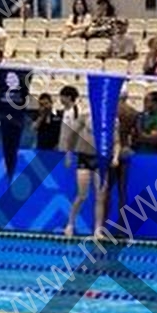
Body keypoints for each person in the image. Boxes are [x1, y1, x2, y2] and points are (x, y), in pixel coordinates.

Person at [58, 83, 100, 240]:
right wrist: (68, 152)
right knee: (82, 195)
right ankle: (70, 224)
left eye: (62, 96)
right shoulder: (74, 113)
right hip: (82, 155)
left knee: (98, 195)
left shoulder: (78, 111)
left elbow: (75, 135)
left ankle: (97, 229)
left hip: (92, 155)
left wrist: (70, 152)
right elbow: (70, 134)